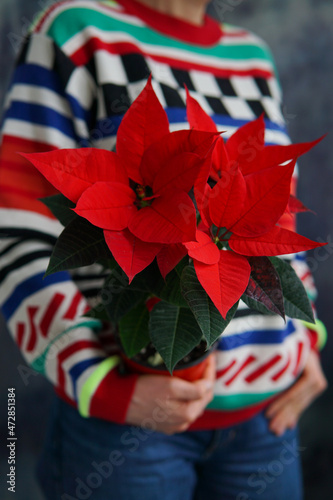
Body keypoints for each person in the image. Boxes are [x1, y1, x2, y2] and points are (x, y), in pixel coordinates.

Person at [0, 0, 328, 498]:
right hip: (128, 430)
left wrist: (306, 338)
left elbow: (272, 217)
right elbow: (17, 232)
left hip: (266, 422)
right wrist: (99, 385)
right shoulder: (74, 30)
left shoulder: (252, 55)